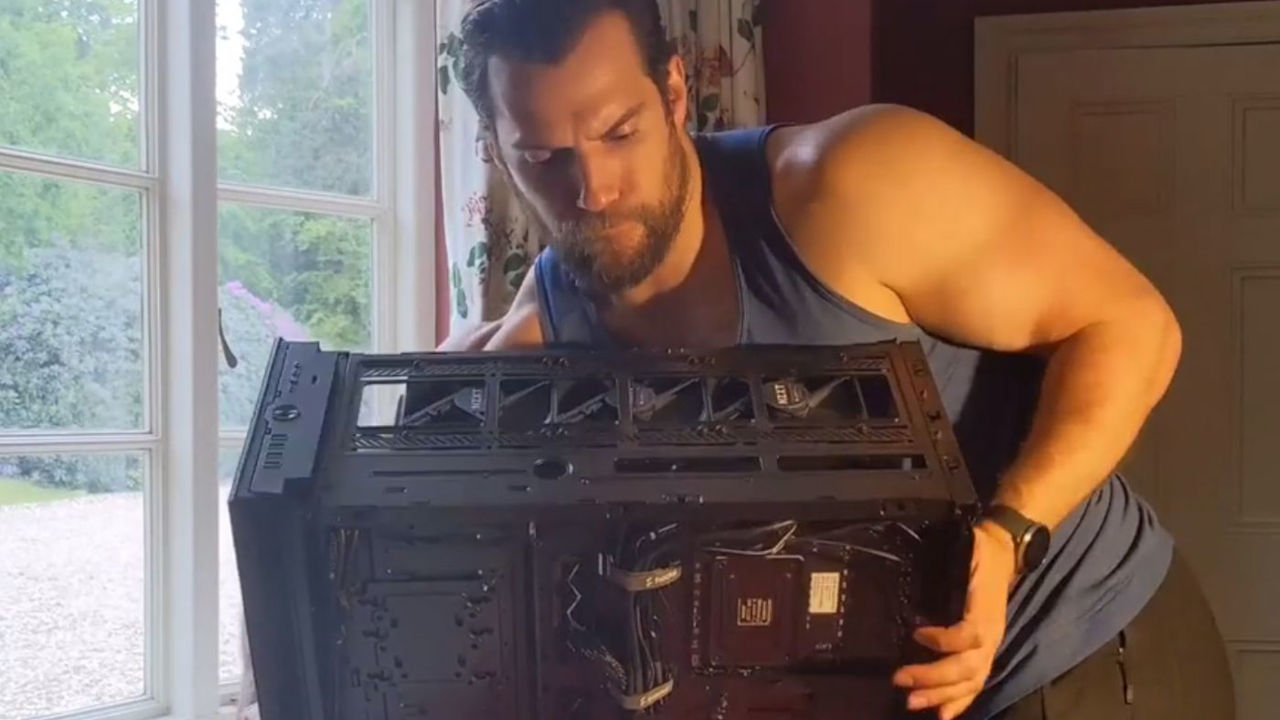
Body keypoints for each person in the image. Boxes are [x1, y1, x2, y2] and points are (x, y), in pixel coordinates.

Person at [432, 1, 1235, 719]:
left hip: (1073, 651)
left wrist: (1008, 535)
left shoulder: (852, 184)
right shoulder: (547, 332)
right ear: (498, 152)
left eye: (619, 134)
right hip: (884, 690)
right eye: (544, 158)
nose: (594, 190)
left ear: (674, 92)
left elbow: (1132, 324)